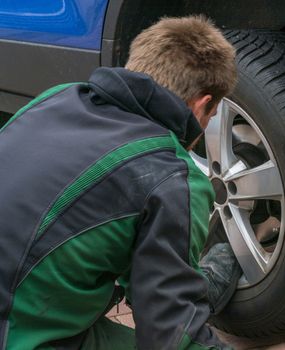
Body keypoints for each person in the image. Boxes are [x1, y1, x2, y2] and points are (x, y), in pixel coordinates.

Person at [0, 16, 241, 349]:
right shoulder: (169, 174)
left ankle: (180, 284)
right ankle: (180, 289)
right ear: (203, 105)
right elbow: (167, 338)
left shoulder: (56, 97)